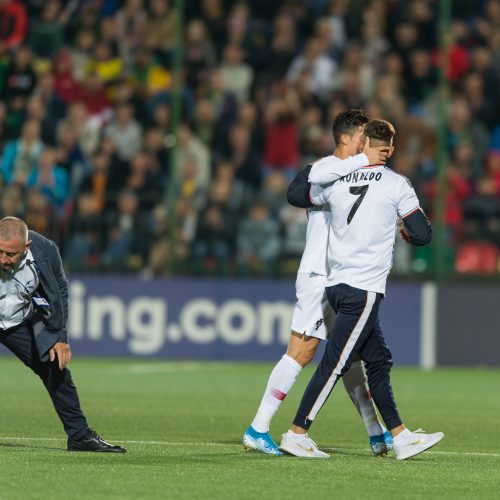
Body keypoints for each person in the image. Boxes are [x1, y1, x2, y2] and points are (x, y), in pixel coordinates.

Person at [279, 119, 444, 460]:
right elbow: (423, 234)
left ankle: (400, 436)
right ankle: (297, 432)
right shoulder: (397, 184)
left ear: (362, 142)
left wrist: (336, 167)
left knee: (378, 359)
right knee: (335, 364)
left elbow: (298, 194)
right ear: (392, 149)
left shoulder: (336, 180)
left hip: (337, 284)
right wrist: (406, 230)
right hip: (363, 289)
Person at [243, 110, 392, 456]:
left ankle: (376, 432)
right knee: (303, 349)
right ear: (346, 138)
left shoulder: (360, 172)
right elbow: (296, 192)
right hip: (319, 274)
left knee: (348, 355)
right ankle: (259, 426)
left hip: (344, 276)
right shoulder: (324, 170)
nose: (368, 143)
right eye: (362, 136)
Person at [0, 216, 126, 453]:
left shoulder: (45, 250)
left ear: (26, 247)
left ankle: (79, 436)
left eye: (10, 255)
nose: (3, 260)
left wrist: (58, 336)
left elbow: (59, 290)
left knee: (55, 369)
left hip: (18, 320)